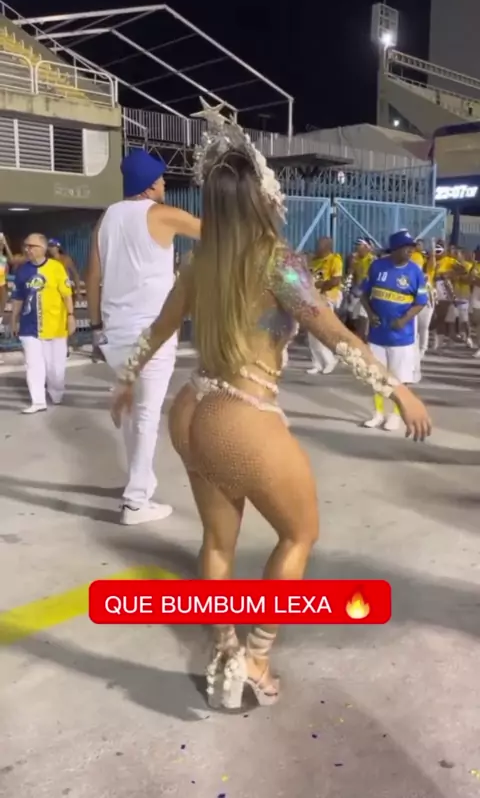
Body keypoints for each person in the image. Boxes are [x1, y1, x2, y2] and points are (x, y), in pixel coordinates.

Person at [110, 103, 431, 710]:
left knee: (217, 541)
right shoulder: (278, 263)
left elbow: (158, 329)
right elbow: (337, 335)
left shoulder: (202, 261)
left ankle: (223, 650)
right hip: (241, 416)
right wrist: (399, 389)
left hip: (192, 409)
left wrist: (126, 380)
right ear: (262, 196)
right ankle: (255, 657)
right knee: (299, 533)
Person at [86, 148, 200, 526]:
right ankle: (136, 502)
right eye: (161, 178)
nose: (165, 183)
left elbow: (92, 275)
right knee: (146, 414)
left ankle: (141, 482)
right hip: (152, 333)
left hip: (115, 334)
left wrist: (96, 328)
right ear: (150, 185)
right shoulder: (162, 214)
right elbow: (215, 233)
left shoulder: (108, 217)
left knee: (133, 410)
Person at [361, 229, 429, 431]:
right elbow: (364, 294)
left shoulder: (415, 272)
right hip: (377, 335)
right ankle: (378, 413)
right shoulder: (377, 266)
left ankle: (395, 415)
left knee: (399, 379)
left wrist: (404, 319)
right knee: (377, 377)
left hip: (402, 338)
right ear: (395, 249)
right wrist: (370, 314)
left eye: (412, 247)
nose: (410, 251)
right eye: (406, 247)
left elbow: (420, 302)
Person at [10, 233, 76, 414]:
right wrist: (13, 319)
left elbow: (67, 294)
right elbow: (17, 298)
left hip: (55, 326)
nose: (27, 249)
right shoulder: (22, 271)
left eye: (32, 246)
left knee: (56, 369)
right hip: (29, 326)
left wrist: (71, 316)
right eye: (26, 246)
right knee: (33, 364)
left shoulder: (56, 268)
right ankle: (38, 401)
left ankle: (56, 392)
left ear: (43, 248)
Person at [306, 237, 343, 375]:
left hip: (326, 298)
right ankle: (317, 363)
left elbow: (336, 280)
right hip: (311, 299)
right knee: (312, 333)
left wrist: (321, 287)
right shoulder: (313, 261)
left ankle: (329, 360)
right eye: (317, 245)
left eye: (320, 246)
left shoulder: (334, 260)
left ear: (328, 247)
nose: (317, 248)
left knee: (322, 330)